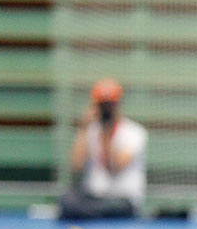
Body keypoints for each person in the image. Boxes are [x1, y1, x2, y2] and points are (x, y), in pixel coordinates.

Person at [57, 77, 147, 221]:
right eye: (102, 105)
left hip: (123, 199)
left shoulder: (134, 132)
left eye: (109, 105)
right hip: (95, 196)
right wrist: (83, 128)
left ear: (118, 105)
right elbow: (76, 166)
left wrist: (107, 133)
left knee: (85, 209)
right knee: (67, 201)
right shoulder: (90, 131)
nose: (106, 110)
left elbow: (115, 168)